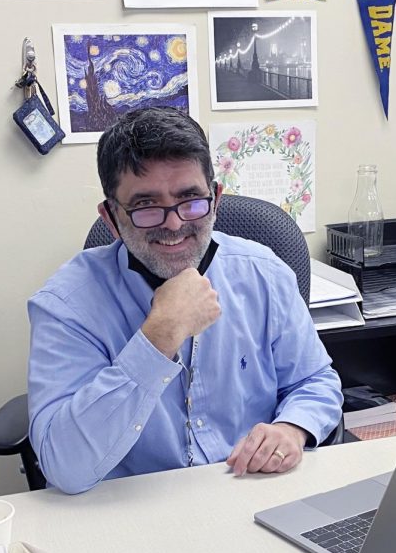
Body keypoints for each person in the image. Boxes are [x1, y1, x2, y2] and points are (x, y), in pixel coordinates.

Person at [27, 108, 343, 494]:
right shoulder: (66, 305)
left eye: (190, 199)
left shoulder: (265, 274)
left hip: (250, 491)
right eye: (146, 206)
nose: (174, 224)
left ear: (216, 199)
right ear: (111, 217)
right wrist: (158, 336)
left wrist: (292, 428)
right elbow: (65, 467)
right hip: (131, 510)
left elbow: (316, 381)